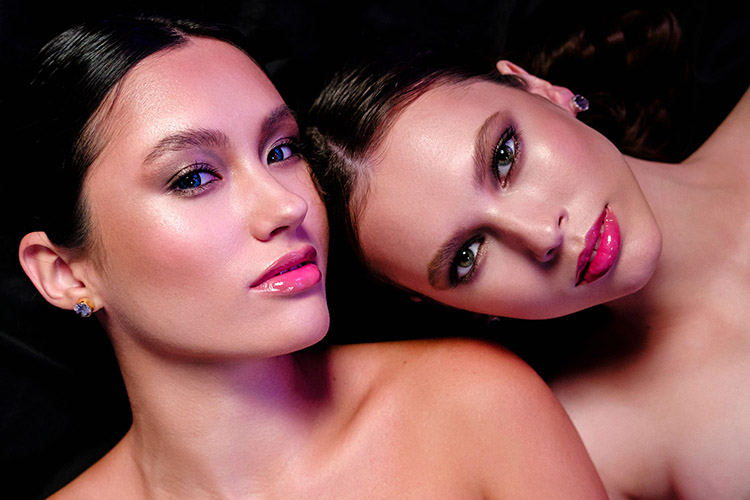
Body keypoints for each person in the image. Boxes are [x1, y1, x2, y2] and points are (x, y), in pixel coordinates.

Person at [11, 15, 607, 499]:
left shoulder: (471, 407)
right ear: (63, 274)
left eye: (281, 150)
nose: (286, 204)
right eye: (193, 177)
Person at [305, 28, 750, 500]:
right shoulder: (589, 450)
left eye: (504, 157)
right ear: (458, 309)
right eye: (467, 257)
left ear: (541, 89)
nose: (541, 236)